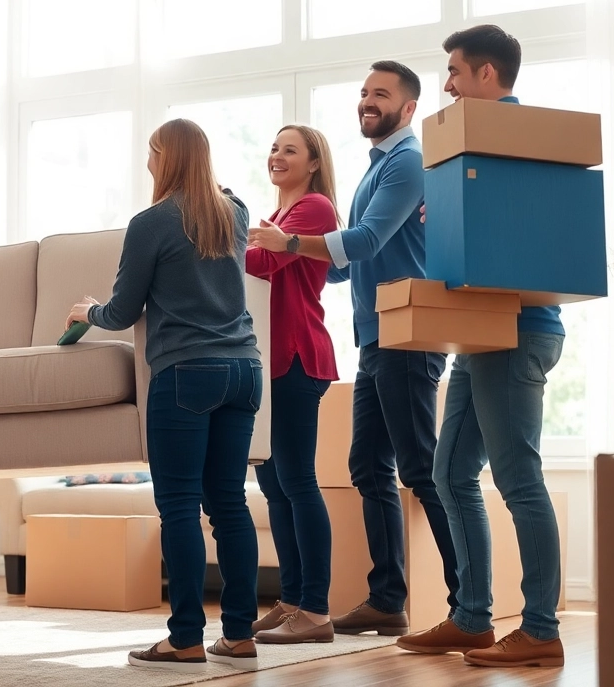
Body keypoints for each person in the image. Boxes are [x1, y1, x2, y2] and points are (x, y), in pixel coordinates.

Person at [248, 62, 458, 637]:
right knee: (368, 467)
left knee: (418, 467)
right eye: (364, 92)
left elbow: (363, 241)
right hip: (375, 336)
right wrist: (304, 252)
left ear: (408, 107)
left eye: (381, 94)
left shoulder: (407, 162)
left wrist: (289, 241)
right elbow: (348, 263)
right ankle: (388, 599)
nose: (368, 101)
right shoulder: (376, 169)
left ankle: (466, 605)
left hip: (407, 333)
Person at [396, 25, 566, 669]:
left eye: (455, 72)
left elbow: (530, 230)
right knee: (449, 472)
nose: (446, 84)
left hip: (520, 329)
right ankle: (472, 618)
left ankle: (542, 628)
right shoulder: (473, 150)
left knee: (519, 478)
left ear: (488, 76)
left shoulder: (519, 143)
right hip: (480, 331)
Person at [68, 118, 262, 673]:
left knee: (178, 504)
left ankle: (184, 638)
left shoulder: (151, 222)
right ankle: (241, 633)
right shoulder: (236, 211)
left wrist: (87, 313)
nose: (148, 163)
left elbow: (124, 309)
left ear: (167, 157)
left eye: (152, 153)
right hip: (244, 370)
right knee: (227, 503)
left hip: (186, 373)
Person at [244, 125, 341, 644]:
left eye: (290, 149)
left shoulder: (315, 208)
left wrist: (222, 242)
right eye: (274, 146)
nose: (277, 155)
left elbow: (261, 262)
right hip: (271, 359)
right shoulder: (276, 217)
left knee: (297, 480)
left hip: (299, 355)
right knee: (274, 483)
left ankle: (317, 611)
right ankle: (294, 600)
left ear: (313, 162)